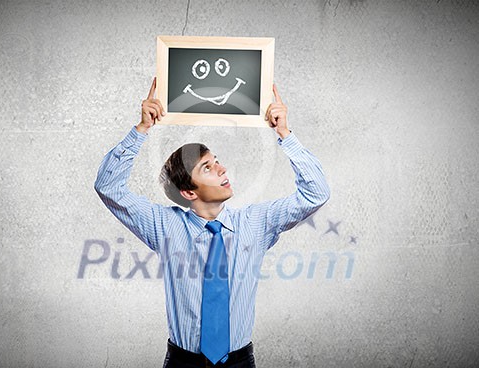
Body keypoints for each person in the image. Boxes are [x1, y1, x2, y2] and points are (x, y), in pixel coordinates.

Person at [94, 77, 330, 368]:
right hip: (184, 363)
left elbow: (316, 193)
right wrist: (141, 130)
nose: (222, 168)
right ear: (189, 192)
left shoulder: (255, 223)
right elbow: (108, 187)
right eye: (208, 167)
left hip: (239, 363)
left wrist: (284, 134)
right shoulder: (165, 226)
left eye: (216, 160)